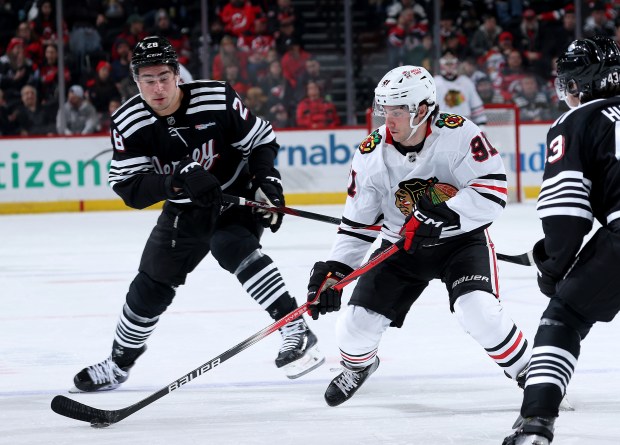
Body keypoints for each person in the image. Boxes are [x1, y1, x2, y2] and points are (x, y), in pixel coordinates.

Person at [71, 36, 324, 392]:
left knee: (230, 244)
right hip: (185, 208)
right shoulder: (128, 122)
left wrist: (268, 181)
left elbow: (261, 139)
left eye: (163, 77)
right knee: (150, 285)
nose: (157, 87)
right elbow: (131, 189)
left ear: (177, 75)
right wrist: (176, 181)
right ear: (136, 81)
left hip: (235, 196)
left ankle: (294, 327)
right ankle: (118, 364)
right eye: (148, 79)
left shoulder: (216, 98)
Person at [305, 65, 531, 407]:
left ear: (422, 109)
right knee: (351, 328)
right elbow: (359, 222)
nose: (387, 118)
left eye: (396, 110)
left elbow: (493, 191)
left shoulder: (459, 135)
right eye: (384, 109)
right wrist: (336, 269)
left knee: (480, 312)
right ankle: (360, 367)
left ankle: (531, 374)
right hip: (401, 246)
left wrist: (443, 214)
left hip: (460, 242)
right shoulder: (371, 154)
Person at [503, 36, 620, 445]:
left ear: (582, 85)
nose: (565, 91)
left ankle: (536, 423)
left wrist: (552, 266)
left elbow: (567, 214)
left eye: (569, 83)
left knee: (564, 317)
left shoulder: (576, 121)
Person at [434, 52, 487, 127]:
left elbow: (476, 106)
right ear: (442, 65)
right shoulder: (435, 83)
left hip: (464, 126)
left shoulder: (466, 82)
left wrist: (481, 125)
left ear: (456, 64)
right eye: (447, 64)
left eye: (451, 64)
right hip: (443, 127)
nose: (449, 67)